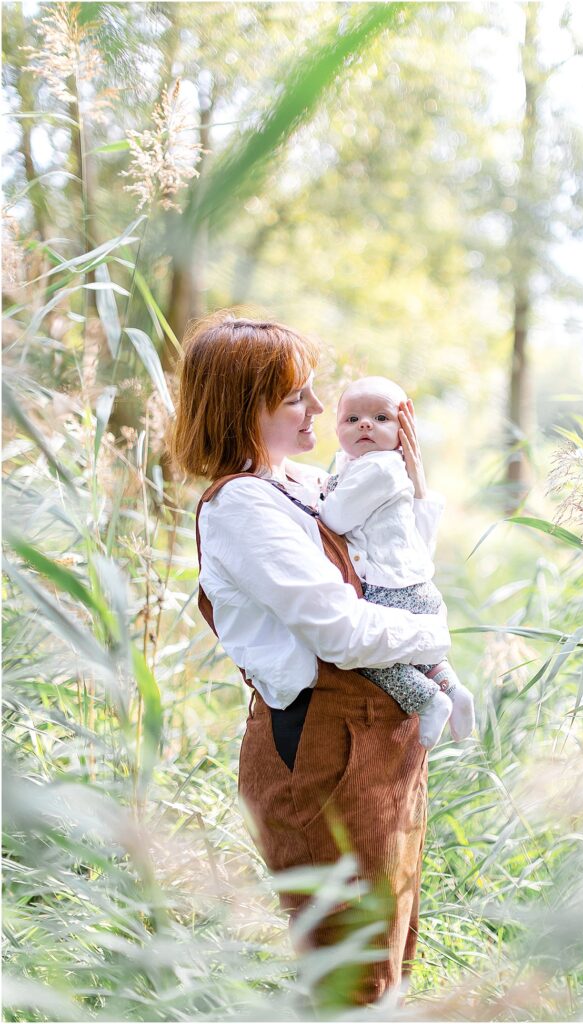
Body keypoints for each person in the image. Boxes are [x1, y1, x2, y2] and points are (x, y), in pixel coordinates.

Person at [171, 312, 453, 1007]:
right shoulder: (241, 507)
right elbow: (342, 631)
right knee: (350, 981)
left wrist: (409, 479)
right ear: (246, 407)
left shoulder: (303, 484)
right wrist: (436, 638)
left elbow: (396, 566)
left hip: (381, 738)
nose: (322, 411)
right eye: (297, 396)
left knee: (386, 964)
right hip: (323, 747)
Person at [319, 376, 475, 749]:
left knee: (367, 653)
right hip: (415, 587)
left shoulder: (379, 468)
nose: (365, 425)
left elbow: (336, 518)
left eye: (381, 418)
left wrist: (321, 498)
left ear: (404, 433)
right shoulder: (368, 466)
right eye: (352, 419)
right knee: (414, 656)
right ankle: (453, 690)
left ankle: (428, 700)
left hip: (389, 589)